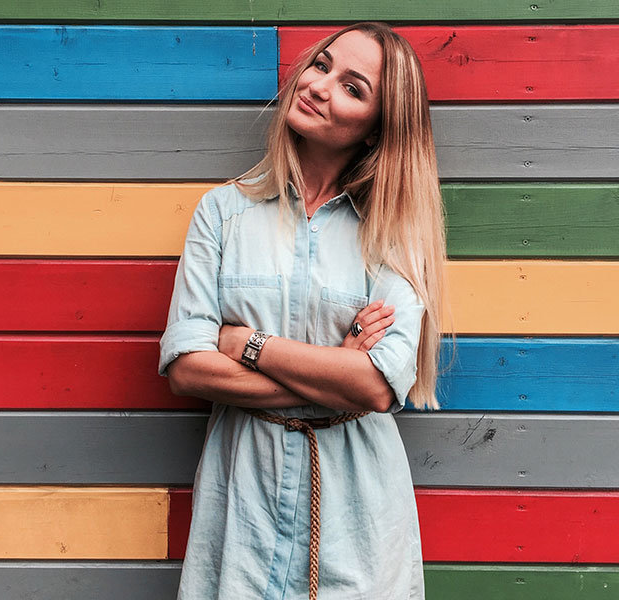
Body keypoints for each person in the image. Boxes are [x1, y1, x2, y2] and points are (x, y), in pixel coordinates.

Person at [159, 21, 447, 600]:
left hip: (355, 517)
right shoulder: (222, 214)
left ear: (377, 129)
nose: (318, 85)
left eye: (352, 87)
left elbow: (375, 387)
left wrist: (247, 345)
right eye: (321, 65)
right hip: (244, 503)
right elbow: (187, 369)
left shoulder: (393, 234)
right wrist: (333, 370)